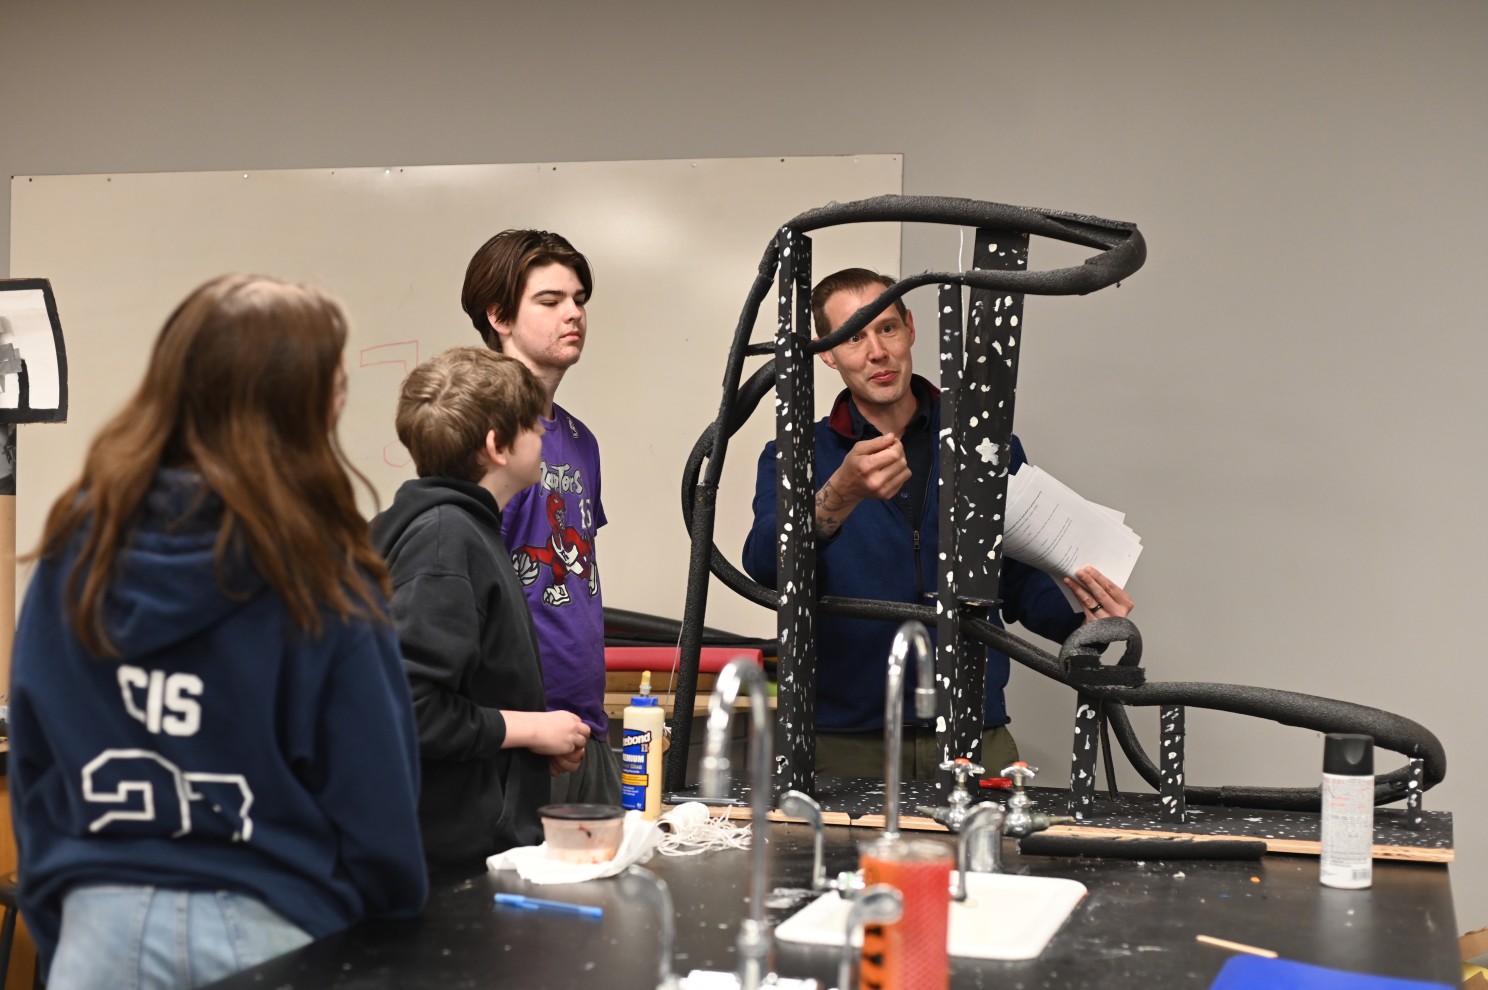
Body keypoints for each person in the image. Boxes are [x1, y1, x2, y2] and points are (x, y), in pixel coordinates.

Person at [10, 274, 428, 989]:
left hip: (94, 937)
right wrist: (387, 934)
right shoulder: (319, 574)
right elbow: (374, 800)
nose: (340, 403)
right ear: (297, 408)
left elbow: (36, 764)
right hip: (275, 932)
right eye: (334, 386)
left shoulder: (79, 547)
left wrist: (66, 912)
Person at [742, 268, 1135, 779]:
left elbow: (1015, 578)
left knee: (992, 858)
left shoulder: (984, 444)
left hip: (975, 729)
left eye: (886, 328)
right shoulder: (796, 454)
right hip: (845, 740)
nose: (877, 353)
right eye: (853, 337)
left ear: (910, 328)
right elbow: (764, 566)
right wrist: (839, 495)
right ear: (827, 354)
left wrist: (1084, 623)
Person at [372, 347, 590, 869]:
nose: (543, 437)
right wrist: (532, 730)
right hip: (448, 862)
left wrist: (524, 747)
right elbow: (408, 708)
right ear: (497, 446)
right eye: (532, 427)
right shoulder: (446, 543)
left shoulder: (462, 529)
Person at [460, 229, 620, 805]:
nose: (573, 314)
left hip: (586, 725)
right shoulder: (485, 437)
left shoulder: (581, 439)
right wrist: (519, 727)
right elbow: (467, 594)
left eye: (579, 299)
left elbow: (575, 574)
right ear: (499, 315)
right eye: (549, 301)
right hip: (518, 738)